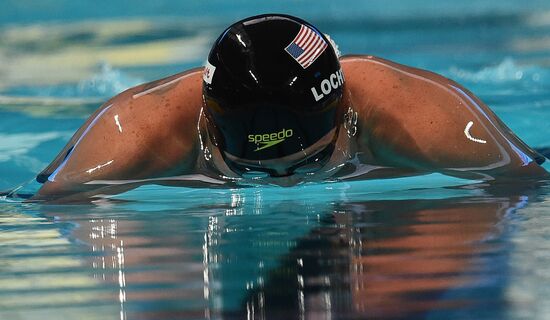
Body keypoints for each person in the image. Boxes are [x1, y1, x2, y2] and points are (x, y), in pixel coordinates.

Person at [33, 14, 548, 202]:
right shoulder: (134, 133)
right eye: (252, 171)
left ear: (346, 111)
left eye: (310, 163)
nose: (288, 186)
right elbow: (40, 208)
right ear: (207, 130)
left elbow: (529, 190)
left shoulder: (422, 118)